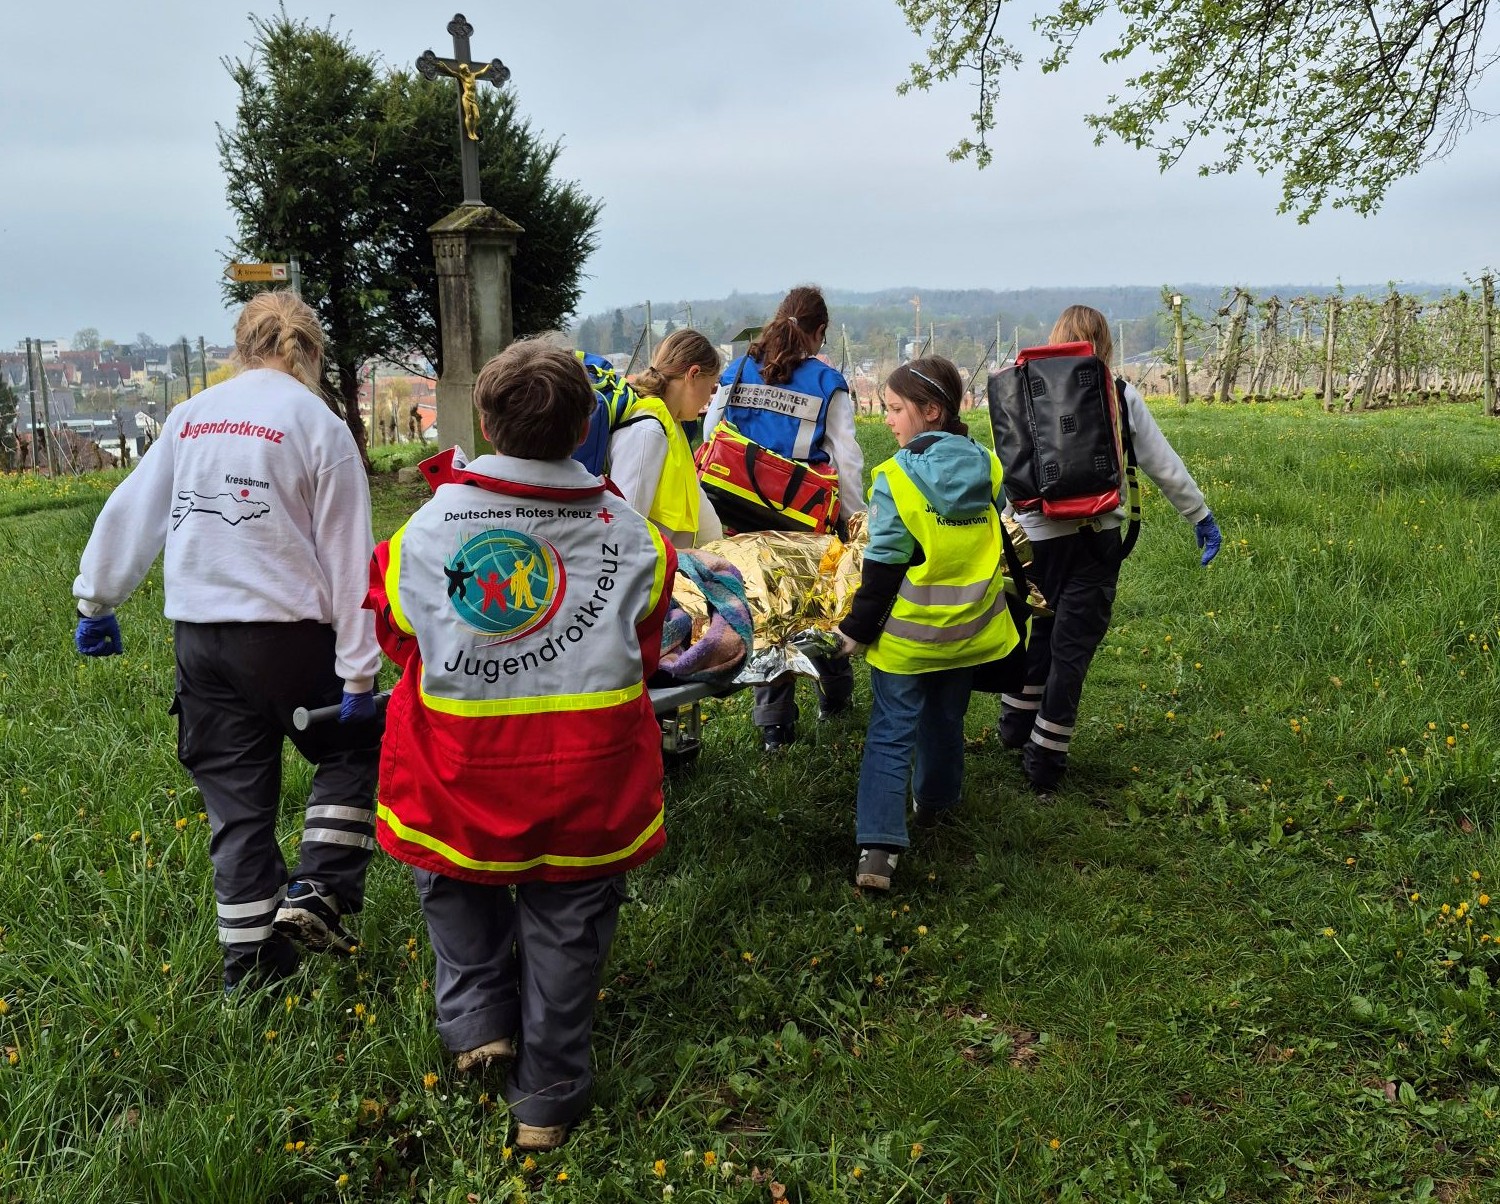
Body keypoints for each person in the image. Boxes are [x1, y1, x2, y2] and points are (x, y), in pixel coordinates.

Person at [366, 338, 677, 1152]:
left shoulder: (425, 533)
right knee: (571, 923)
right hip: (589, 783)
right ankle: (547, 1098)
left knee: (454, 879)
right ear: (584, 428)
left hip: (460, 775)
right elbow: (646, 652)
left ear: (486, 423)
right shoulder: (636, 537)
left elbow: (399, 638)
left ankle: (478, 1018)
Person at [71, 290, 383, 992]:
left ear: (241, 348)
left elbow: (133, 510)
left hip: (201, 642)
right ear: (310, 352)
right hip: (289, 640)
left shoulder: (191, 416)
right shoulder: (318, 424)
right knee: (355, 746)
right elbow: (348, 559)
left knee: (237, 809)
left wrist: (96, 599)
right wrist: (359, 676)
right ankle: (320, 888)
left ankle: (251, 970)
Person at [999, 304, 1222, 791]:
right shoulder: (1117, 392)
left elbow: (1012, 464)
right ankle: (1044, 761)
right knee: (1072, 650)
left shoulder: (1022, 388)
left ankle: (1014, 725)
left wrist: (1004, 523)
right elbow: (1162, 463)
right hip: (1095, 538)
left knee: (1042, 632)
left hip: (1033, 541)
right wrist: (1200, 514)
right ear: (1104, 344)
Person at [831, 357, 1021, 892]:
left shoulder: (895, 478)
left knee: (892, 731)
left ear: (931, 410)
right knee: (945, 719)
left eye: (895, 409)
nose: (886, 419)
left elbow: (883, 567)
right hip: (969, 634)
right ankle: (937, 804)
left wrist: (856, 631)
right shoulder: (990, 467)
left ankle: (879, 849)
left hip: (907, 642)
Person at [702, 285, 865, 750]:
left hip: (741, 511)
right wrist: (852, 520)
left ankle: (774, 725)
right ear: (821, 331)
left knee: (767, 608)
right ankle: (835, 694)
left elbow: (713, 434)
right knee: (821, 603)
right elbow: (847, 460)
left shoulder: (738, 370)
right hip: (804, 515)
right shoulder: (827, 383)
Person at [609, 328, 725, 549]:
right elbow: (626, 525)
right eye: (710, 386)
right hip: (651, 567)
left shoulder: (672, 424)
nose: (707, 399)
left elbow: (696, 500)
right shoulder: (647, 430)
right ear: (693, 374)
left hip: (674, 563)